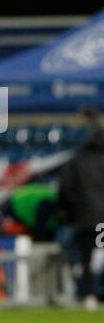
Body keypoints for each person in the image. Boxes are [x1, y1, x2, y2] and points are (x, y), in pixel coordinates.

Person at [57, 119, 104, 309]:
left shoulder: (77, 160)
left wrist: (69, 213)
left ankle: (89, 295)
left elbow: (66, 189)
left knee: (86, 258)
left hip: (85, 219)